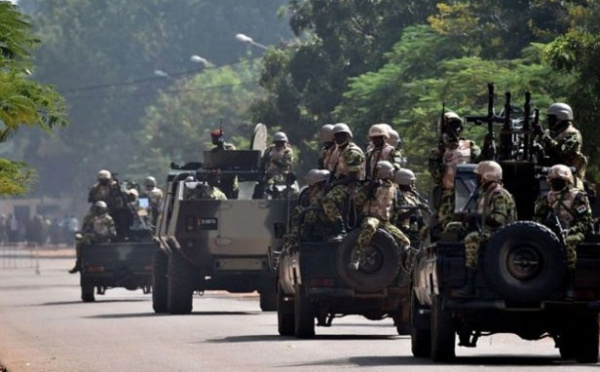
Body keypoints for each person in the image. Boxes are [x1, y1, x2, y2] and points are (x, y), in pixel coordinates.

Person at [452, 161, 517, 297]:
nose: (477, 179)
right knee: (453, 227)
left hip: (500, 235)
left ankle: (470, 284)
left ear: (486, 177)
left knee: (472, 238)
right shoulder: (485, 193)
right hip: (487, 230)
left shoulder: (499, 194)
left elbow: (498, 219)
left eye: (479, 176)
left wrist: (475, 216)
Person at [533, 164, 593, 296]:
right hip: (552, 232)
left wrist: (571, 230)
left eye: (558, 181)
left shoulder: (577, 197)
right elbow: (538, 219)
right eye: (553, 180)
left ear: (567, 181)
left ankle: (569, 283)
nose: (555, 183)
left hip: (575, 232)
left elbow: (586, 221)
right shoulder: (547, 198)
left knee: (569, 243)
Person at [350, 161, 411, 270]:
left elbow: (398, 209)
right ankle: (357, 254)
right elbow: (357, 201)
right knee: (370, 225)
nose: (393, 174)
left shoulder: (394, 189)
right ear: (385, 173)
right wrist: (369, 187)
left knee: (405, 241)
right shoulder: (371, 186)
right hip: (371, 217)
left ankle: (404, 265)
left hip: (385, 222)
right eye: (391, 172)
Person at [429, 111, 481, 229]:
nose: (454, 130)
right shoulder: (437, 152)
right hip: (448, 195)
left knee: (470, 226)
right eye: (450, 127)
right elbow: (436, 177)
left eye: (457, 126)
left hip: (469, 193)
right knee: (446, 228)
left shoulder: (471, 146)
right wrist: (441, 156)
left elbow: (482, 166)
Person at [322, 123, 365, 242]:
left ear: (348, 136)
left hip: (351, 185)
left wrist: (333, 184)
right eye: (337, 136)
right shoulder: (338, 150)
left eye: (342, 135)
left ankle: (340, 230)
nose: (339, 138)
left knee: (328, 200)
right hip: (340, 182)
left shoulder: (352, 152)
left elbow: (352, 177)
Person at [537, 103, 586, 189]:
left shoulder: (573, 134)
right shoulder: (549, 133)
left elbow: (562, 150)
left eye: (551, 118)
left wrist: (543, 135)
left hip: (567, 177)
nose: (548, 121)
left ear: (560, 119)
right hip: (548, 174)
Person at [69, 201, 117, 273]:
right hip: (93, 238)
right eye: (97, 209)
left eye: (100, 209)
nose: (99, 210)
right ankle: (79, 263)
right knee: (80, 243)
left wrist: (107, 234)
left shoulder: (108, 219)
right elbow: (85, 229)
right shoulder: (90, 218)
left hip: (105, 238)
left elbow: (112, 231)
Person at [288, 169, 330, 242]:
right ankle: (296, 233)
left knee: (311, 211)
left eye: (312, 187)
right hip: (314, 220)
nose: (310, 189)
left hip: (323, 220)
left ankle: (305, 234)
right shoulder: (307, 194)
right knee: (299, 210)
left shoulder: (325, 193)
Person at [254, 132, 294, 199]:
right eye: (277, 142)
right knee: (259, 188)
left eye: (281, 142)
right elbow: (263, 160)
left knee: (283, 192)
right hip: (269, 174)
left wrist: (273, 160)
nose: (279, 144)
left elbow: (286, 164)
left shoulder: (287, 151)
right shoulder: (270, 149)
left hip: (282, 175)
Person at [210, 129, 239, 199]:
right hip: (218, 181)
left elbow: (230, 161)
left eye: (214, 138)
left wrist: (222, 147)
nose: (213, 140)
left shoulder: (230, 148)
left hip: (230, 182)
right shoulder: (214, 150)